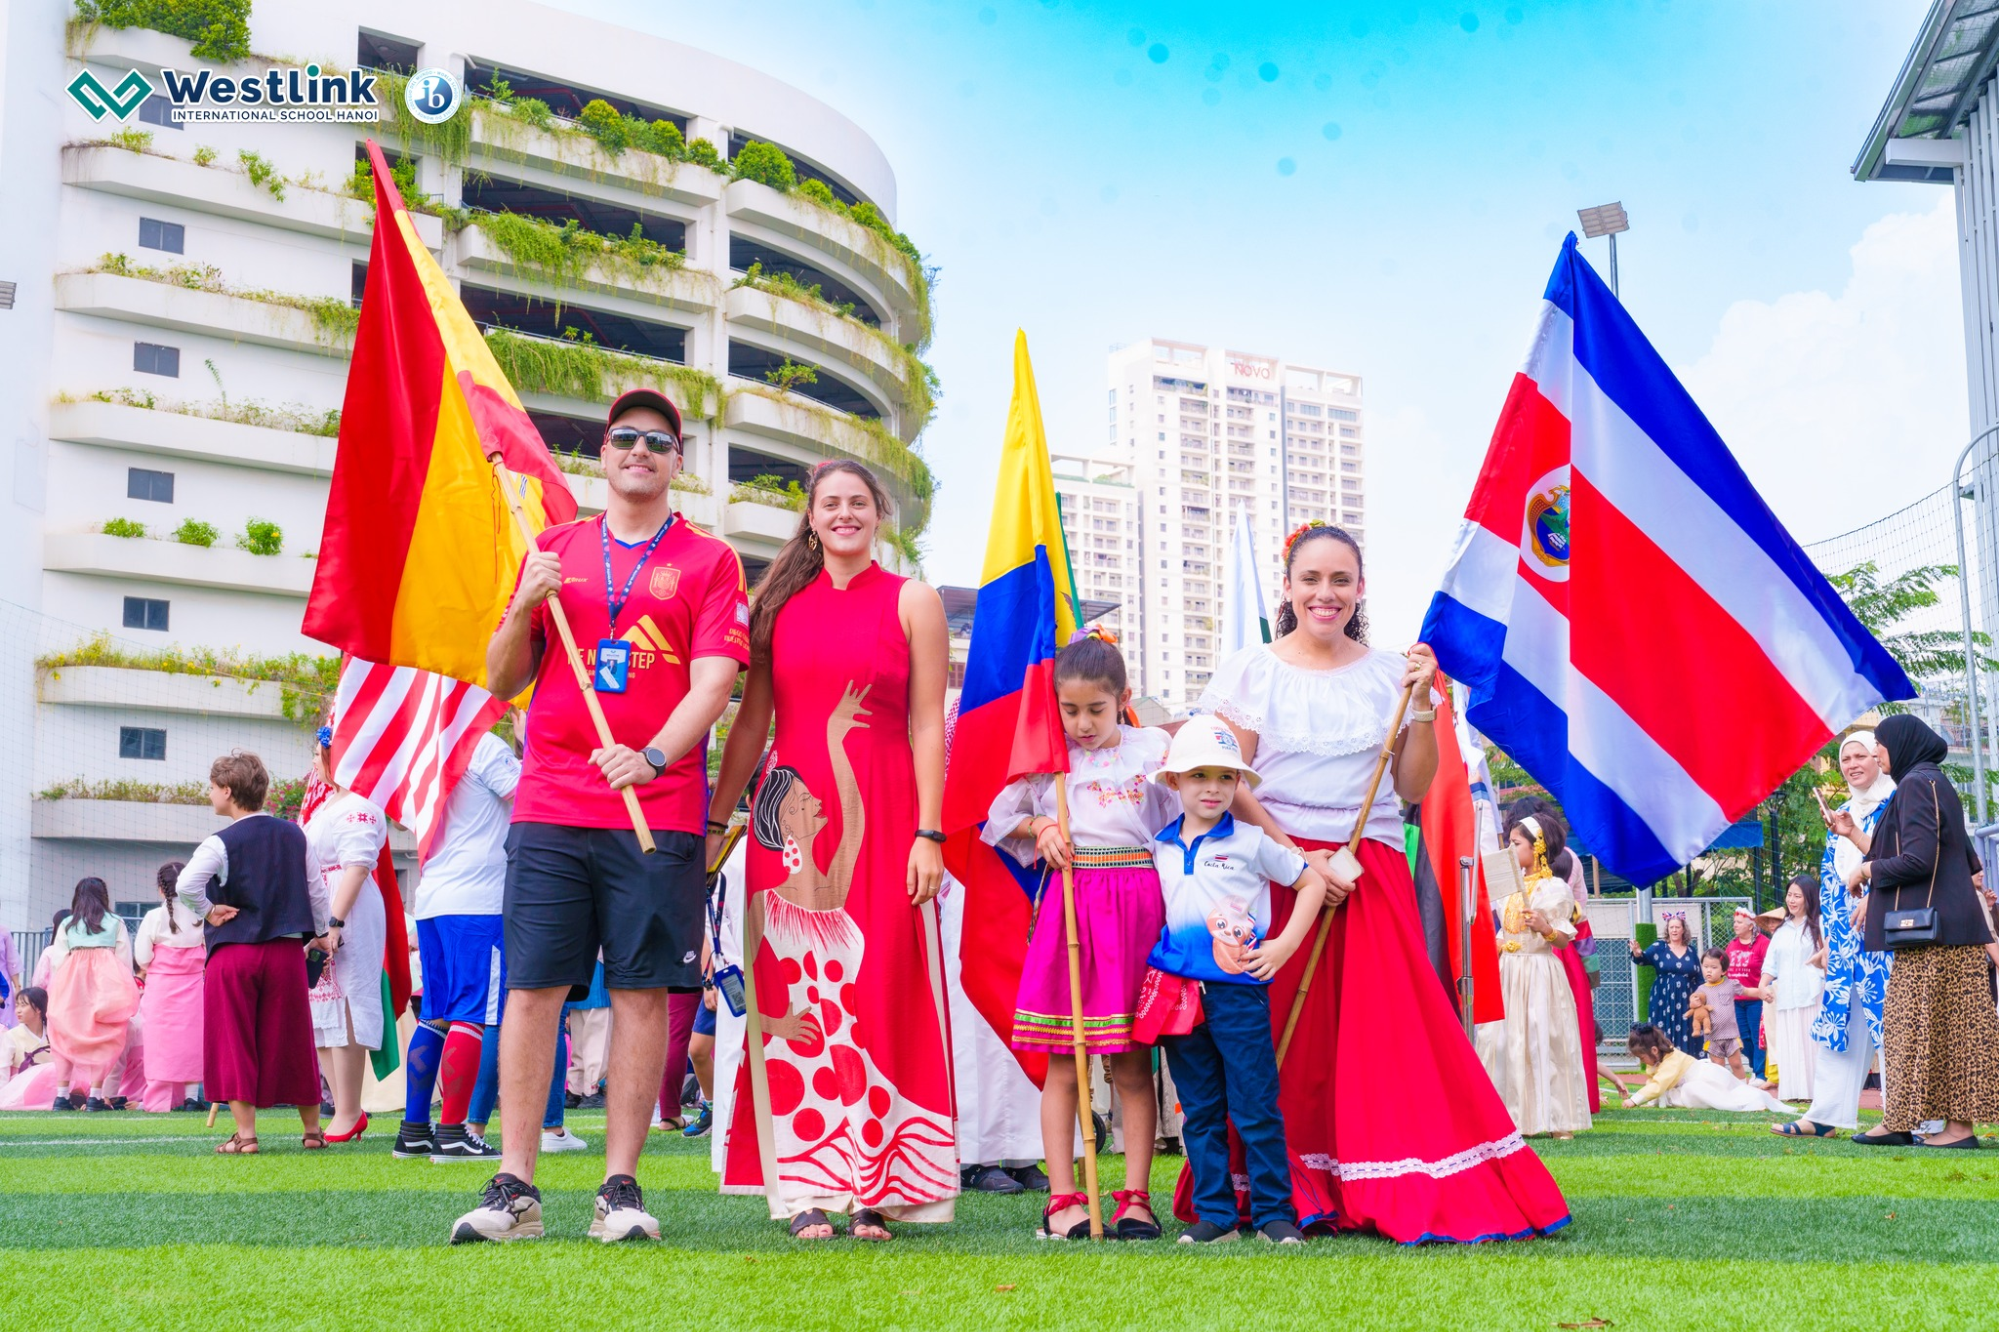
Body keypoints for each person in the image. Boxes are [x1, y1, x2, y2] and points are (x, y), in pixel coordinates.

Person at [1190, 521, 1570, 1242]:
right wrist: (1299, 863)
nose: (1324, 593)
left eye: (1340, 580)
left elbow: (1412, 783)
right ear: (1288, 586)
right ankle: (1275, 1185)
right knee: (1277, 1040)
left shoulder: (1392, 671)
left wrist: (1423, 705)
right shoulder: (1250, 670)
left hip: (1369, 869)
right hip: (1276, 871)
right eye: (1311, 579)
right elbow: (1227, 781)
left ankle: (1386, 1174)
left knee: (1384, 1037)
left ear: (1360, 588)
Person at [455, 387, 747, 1244]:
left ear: (676, 460)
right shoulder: (552, 547)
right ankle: (515, 1185)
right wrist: (524, 604)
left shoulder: (708, 560)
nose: (640, 450)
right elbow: (503, 677)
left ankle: (619, 1187)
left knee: (640, 992)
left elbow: (714, 683)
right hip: (551, 802)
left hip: (656, 811)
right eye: (626, 437)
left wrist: (653, 753)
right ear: (603, 453)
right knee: (533, 987)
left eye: (658, 440)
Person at [711, 458, 955, 1242]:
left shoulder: (913, 600)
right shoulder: (776, 607)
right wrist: (717, 820)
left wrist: (929, 830)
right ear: (810, 518)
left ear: (878, 514)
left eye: (858, 502)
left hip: (888, 812)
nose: (845, 514)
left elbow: (927, 723)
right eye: (830, 504)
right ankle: (805, 1189)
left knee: (881, 983)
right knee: (800, 997)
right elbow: (751, 724)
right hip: (789, 816)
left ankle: (875, 1188)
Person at [984, 628, 1176, 1241]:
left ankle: (1137, 1197)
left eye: (1096, 708)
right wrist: (1040, 823)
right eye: (1070, 710)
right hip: (1072, 905)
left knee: (1130, 1063)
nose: (1083, 723)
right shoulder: (1048, 758)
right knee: (1064, 1062)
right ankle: (1064, 1197)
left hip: (1140, 904)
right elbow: (996, 820)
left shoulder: (1151, 750)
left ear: (1122, 698)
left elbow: (1186, 818)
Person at [1146, 716, 1327, 1245]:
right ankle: (1216, 1217)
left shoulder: (1250, 841)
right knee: (1199, 1111)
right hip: (1179, 999)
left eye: (1226, 777)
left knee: (1254, 1104)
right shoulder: (1157, 845)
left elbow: (1311, 881)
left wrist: (1284, 945)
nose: (1213, 787)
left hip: (1239, 994)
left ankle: (1274, 1214)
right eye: (1199, 775)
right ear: (1174, 782)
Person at [1847, 714, 1999, 1149]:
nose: (1876, 752)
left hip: (1934, 938)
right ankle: (1931, 1125)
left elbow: (1918, 859)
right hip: (1952, 932)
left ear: (1901, 743)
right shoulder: (1935, 783)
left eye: (1879, 744)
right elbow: (1969, 861)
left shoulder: (1916, 785)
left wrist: (1867, 869)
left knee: (1912, 1029)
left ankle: (1930, 1126)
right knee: (1950, 1031)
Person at [177, 750, 328, 1153]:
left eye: (212, 788)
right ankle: (312, 1132)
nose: (210, 794)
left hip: (234, 955)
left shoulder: (220, 841)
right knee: (295, 1038)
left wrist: (209, 912)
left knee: (233, 1040)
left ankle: (247, 1137)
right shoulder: (296, 834)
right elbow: (316, 891)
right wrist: (323, 933)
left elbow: (186, 885)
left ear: (228, 790)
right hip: (285, 953)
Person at [393, 726, 519, 1163]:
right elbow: (526, 796)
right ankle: (452, 1132)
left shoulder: (424, 750)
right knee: (472, 1014)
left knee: (435, 1014)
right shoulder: (481, 742)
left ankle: (413, 1132)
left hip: (433, 898)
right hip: (477, 899)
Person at [1780, 732, 1898, 1137]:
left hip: (1887, 935)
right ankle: (1826, 1115)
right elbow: (1830, 882)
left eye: (1861, 755)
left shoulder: (1897, 803)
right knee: (1839, 1021)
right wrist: (1830, 940)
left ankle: (1910, 1118)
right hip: (1845, 940)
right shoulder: (1843, 812)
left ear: (1879, 759)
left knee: (1892, 1023)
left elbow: (1904, 863)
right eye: (1846, 758)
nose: (1852, 764)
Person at [301, 726, 392, 1144]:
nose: (314, 763)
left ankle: (351, 1108)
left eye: (318, 754)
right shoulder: (327, 805)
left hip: (348, 908)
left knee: (348, 999)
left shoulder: (360, 804)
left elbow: (357, 865)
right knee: (321, 1008)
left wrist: (334, 923)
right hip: (323, 904)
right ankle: (342, 1107)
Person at [1474, 814, 1591, 1139]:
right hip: (1508, 971)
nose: (1511, 849)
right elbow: (1503, 930)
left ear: (1537, 846)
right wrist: (1497, 946)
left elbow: (1564, 940)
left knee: (1544, 1040)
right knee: (1501, 1042)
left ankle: (1558, 1120)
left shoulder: (1555, 889)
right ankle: (1509, 1120)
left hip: (1539, 972)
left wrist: (1545, 927)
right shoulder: (1508, 888)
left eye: (1516, 844)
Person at [44, 877, 139, 1112]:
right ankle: (96, 1096)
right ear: (104, 897)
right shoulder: (116, 922)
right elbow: (125, 960)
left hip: (71, 988)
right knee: (105, 1037)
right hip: (107, 987)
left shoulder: (67, 923)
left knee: (64, 1036)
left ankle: (61, 1096)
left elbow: (58, 961)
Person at [135, 859, 206, 1112]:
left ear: (161, 888)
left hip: (161, 989)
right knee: (192, 1041)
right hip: (194, 988)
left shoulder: (154, 916)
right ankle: (190, 1098)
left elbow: (142, 957)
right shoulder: (201, 914)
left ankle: (159, 1100)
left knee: (159, 1043)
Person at [1758, 878, 1825, 1104]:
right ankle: (1793, 1091)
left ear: (1809, 897)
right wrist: (1762, 985)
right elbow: (1770, 964)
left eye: (1798, 895)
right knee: (1790, 1043)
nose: (1792, 900)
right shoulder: (1782, 930)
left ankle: (1816, 1092)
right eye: (1789, 895)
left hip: (1813, 995)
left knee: (1811, 1044)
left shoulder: (1820, 924)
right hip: (1786, 996)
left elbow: (1829, 957)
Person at [1622, 1024, 1786, 1113]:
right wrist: (1650, 1102)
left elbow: (1658, 1085)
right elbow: (1653, 1081)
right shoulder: (1660, 1061)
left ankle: (1753, 1102)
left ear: (1654, 1051)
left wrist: (1634, 1100)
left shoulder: (1671, 1060)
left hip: (1707, 1078)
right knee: (1682, 1093)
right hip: (1703, 1077)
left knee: (1717, 1096)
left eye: (1642, 1058)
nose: (1643, 1062)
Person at [1628, 913, 1702, 1056]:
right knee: (1662, 1033)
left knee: (1687, 1030)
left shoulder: (1691, 950)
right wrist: (1637, 953)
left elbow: (1699, 977)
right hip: (1663, 999)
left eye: (1677, 927)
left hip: (1687, 1001)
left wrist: (1704, 996)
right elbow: (1643, 959)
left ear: (1683, 930)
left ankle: (1686, 1068)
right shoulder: (1659, 947)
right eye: (1671, 927)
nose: (1674, 930)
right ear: (1667, 930)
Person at [1724, 907, 1771, 1082]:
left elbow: (1770, 968)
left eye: (1739, 922)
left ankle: (1760, 1074)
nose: (1735, 925)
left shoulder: (1763, 943)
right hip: (1736, 1000)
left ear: (1750, 926)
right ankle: (1756, 1066)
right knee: (1743, 1038)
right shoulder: (1732, 944)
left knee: (1757, 1036)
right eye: (1734, 922)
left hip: (1756, 1000)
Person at [0, 987, 54, 1109]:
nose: (18, 1011)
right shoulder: (11, 1035)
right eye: (17, 1005)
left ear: (39, 1009)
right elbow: (2, 1070)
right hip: (21, 1089)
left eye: (23, 1006)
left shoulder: (53, 1034)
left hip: (49, 1088)